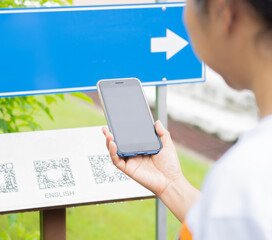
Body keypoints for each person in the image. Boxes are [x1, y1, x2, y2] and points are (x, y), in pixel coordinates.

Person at [102, 0, 272, 239]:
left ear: (223, 12)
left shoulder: (243, 182)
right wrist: (171, 184)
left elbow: (233, 218)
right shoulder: (242, 193)